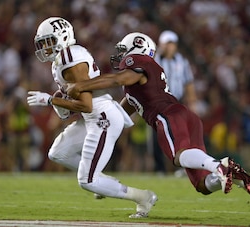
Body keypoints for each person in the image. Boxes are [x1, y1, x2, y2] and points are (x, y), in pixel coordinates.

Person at [66, 32, 250, 197]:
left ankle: (220, 165)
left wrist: (82, 85)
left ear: (137, 48)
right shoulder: (136, 85)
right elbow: (118, 114)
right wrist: (83, 113)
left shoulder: (139, 64)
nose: (121, 56)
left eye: (124, 50)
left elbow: (119, 79)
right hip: (184, 116)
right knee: (203, 185)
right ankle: (237, 178)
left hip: (167, 115)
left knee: (179, 156)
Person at [26, 17, 157, 218]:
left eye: (49, 41)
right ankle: (101, 180)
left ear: (62, 37)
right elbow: (81, 104)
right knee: (58, 153)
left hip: (102, 117)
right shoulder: (63, 59)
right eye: (42, 43)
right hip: (92, 116)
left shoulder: (70, 58)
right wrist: (61, 102)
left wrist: (51, 101)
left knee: (87, 181)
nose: (45, 47)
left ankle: (142, 197)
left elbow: (86, 104)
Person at [152, 30, 198, 175]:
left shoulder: (182, 62)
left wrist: (192, 103)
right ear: (161, 45)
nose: (169, 47)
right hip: (158, 103)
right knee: (157, 136)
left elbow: (188, 83)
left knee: (180, 135)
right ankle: (160, 168)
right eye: (167, 44)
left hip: (176, 102)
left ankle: (181, 168)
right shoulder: (154, 61)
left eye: (172, 44)